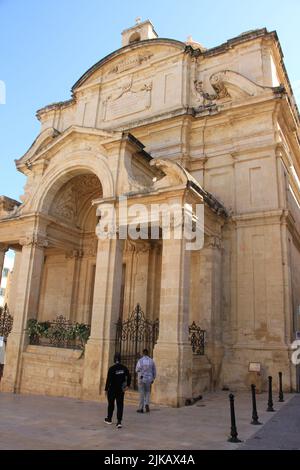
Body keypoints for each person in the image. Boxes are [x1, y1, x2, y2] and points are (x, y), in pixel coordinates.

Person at [104, 353, 131, 429]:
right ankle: (119, 422)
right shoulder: (124, 368)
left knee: (111, 404)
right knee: (120, 405)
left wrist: (106, 389)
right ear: (120, 359)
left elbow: (108, 380)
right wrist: (128, 385)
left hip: (112, 390)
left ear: (114, 359)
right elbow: (129, 376)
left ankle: (109, 419)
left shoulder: (111, 368)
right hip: (120, 390)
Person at [136, 349, 156, 413]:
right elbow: (154, 371)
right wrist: (153, 378)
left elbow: (137, 370)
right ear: (148, 353)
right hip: (149, 379)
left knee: (141, 393)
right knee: (147, 392)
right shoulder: (151, 361)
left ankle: (141, 408)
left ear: (143, 353)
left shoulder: (140, 361)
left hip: (142, 379)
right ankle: (147, 404)